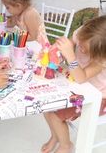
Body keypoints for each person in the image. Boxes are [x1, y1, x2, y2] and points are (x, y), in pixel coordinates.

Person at [41, 15, 106, 153]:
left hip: (97, 97)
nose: (81, 49)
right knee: (45, 104)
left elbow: (81, 78)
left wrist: (70, 56)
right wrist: (57, 52)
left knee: (55, 114)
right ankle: (56, 136)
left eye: (85, 50)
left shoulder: (102, 61)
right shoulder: (84, 33)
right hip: (77, 85)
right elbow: (68, 47)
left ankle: (66, 145)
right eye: (80, 45)